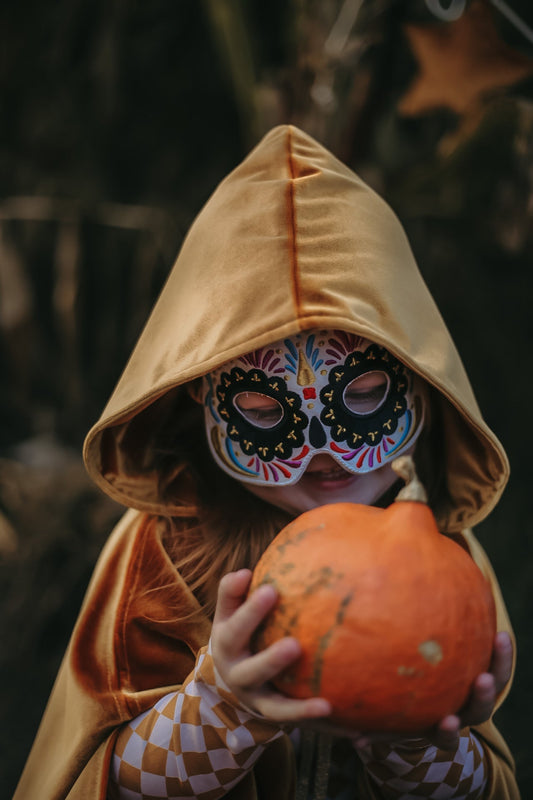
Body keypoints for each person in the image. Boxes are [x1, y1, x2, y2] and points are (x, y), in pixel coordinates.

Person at [14, 125, 519, 800]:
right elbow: (107, 782)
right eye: (262, 408)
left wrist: (421, 748)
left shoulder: (443, 557)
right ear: (199, 395)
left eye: (363, 396)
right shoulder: (161, 553)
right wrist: (221, 710)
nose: (321, 449)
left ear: (422, 380)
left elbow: (481, 787)